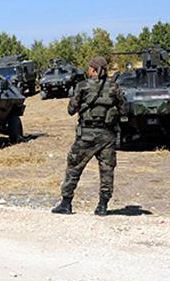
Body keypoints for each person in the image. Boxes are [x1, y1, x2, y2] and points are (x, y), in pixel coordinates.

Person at [51, 56, 123, 216]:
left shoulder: (82, 86)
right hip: (107, 135)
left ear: (93, 69)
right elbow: (124, 110)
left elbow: (71, 110)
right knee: (107, 170)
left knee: (74, 167)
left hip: (86, 135)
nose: (88, 70)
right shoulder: (114, 87)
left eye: (89, 67)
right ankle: (102, 206)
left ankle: (66, 203)